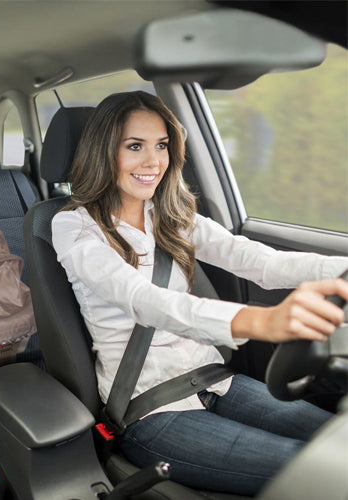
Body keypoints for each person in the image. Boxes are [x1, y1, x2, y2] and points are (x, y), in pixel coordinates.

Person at [51, 91, 348, 496]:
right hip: (152, 410)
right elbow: (144, 300)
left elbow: (262, 262)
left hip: (217, 381)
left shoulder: (171, 213)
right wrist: (261, 321)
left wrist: (343, 271)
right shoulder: (74, 226)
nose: (153, 161)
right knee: (325, 473)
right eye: (134, 146)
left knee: (338, 443)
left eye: (162, 145)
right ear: (103, 151)